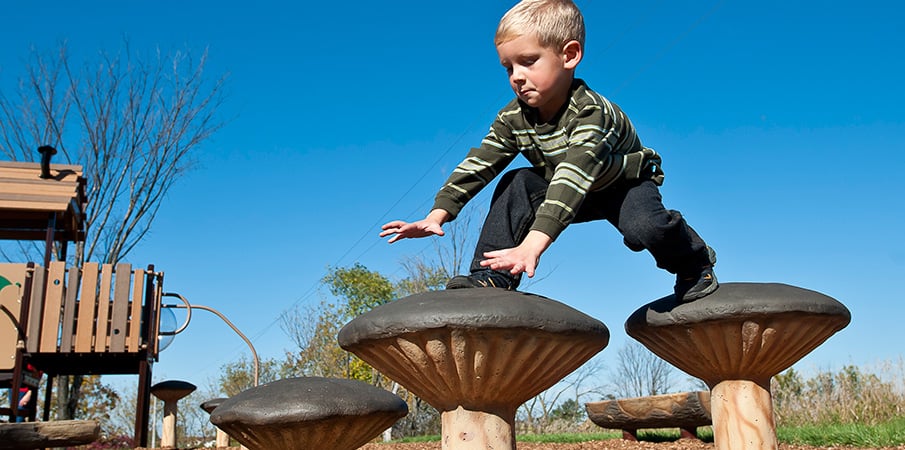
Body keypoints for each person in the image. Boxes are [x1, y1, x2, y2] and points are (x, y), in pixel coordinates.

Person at [380, 0, 717, 302]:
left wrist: (533, 245)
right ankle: (492, 274)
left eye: (528, 62)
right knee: (518, 182)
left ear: (569, 55)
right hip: (563, 185)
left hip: (622, 184)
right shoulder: (514, 118)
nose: (517, 77)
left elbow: (573, 176)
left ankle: (692, 262)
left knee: (646, 227)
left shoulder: (592, 113)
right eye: (508, 67)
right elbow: (480, 162)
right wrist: (436, 214)